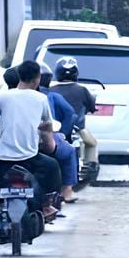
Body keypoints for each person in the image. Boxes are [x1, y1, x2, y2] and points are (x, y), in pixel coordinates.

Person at [0, 60, 61, 234]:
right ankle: (46, 206)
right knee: (53, 166)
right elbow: (46, 126)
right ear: (37, 79)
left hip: (2, 159)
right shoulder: (41, 98)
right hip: (30, 158)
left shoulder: (2, 97)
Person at [38, 62, 81, 204]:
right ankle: (67, 191)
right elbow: (70, 113)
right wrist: (64, 133)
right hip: (46, 137)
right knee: (69, 151)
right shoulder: (50, 96)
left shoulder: (9, 96)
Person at [50, 56, 98, 174]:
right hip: (77, 129)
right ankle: (90, 166)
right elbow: (92, 107)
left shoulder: (51, 90)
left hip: (54, 129)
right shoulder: (82, 90)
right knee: (92, 143)